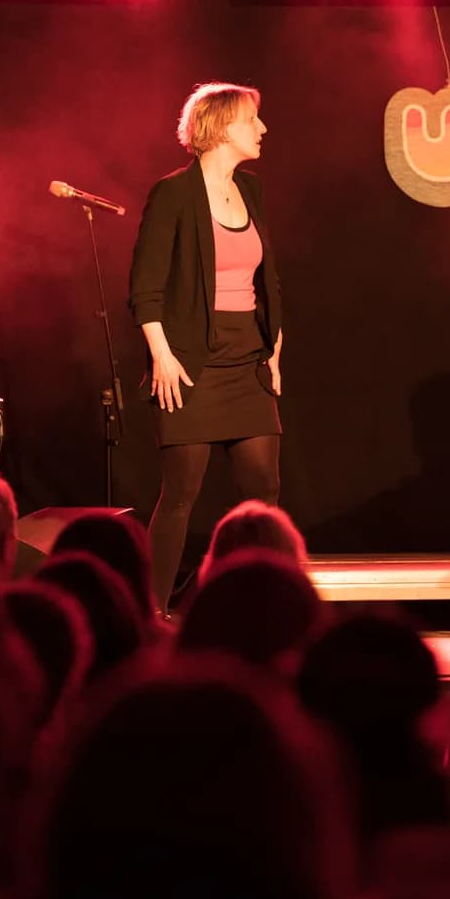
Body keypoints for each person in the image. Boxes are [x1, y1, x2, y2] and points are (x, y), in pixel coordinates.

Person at [129, 82, 284, 614]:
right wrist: (161, 355)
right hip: (190, 361)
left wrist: (275, 348)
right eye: (251, 120)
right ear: (220, 127)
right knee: (181, 494)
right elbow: (145, 287)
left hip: (248, 357)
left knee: (264, 491)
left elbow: (268, 279)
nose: (262, 128)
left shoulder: (251, 190)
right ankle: (150, 612)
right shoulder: (174, 193)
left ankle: (249, 603)